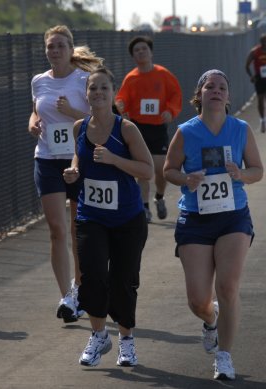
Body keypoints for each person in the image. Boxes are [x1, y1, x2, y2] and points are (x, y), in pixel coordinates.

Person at [163, 69, 263, 380]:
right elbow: (168, 169)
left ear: (229, 97)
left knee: (228, 285)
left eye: (222, 87)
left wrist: (240, 174)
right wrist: (186, 179)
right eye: (210, 86)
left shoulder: (241, 129)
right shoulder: (186, 131)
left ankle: (224, 356)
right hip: (195, 218)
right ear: (200, 95)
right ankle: (211, 319)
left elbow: (258, 170)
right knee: (198, 300)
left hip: (233, 215)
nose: (216, 91)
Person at [63, 66, 153, 367]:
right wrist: (75, 170)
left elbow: (147, 170)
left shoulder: (125, 129)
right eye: (92, 88)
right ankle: (99, 335)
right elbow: (80, 154)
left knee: (123, 281)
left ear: (113, 93)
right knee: (92, 275)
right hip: (92, 216)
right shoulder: (79, 127)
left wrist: (115, 159)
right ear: (85, 94)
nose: (98, 93)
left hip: (127, 218)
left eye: (103, 88)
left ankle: (126, 341)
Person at [28, 25, 103, 323]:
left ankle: (80, 287)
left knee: (77, 230)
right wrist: (32, 123)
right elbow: (36, 110)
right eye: (50, 46)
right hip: (47, 160)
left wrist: (74, 113)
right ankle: (66, 297)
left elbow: (100, 119)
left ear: (71, 49)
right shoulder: (38, 81)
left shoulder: (84, 80)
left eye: (60, 45)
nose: (55, 51)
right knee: (57, 229)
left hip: (79, 161)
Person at [115, 35, 182, 223]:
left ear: (151, 52)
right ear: (133, 56)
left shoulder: (164, 75)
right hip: (138, 128)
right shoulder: (131, 78)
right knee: (143, 169)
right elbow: (122, 99)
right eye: (137, 50)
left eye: (144, 48)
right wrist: (120, 106)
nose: (141, 52)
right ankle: (144, 207)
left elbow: (175, 95)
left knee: (160, 170)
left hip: (158, 127)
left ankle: (159, 197)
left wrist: (170, 111)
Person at [245, 33, 266, 133]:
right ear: (261, 42)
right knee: (261, 100)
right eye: (264, 42)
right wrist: (252, 76)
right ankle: (262, 121)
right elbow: (247, 66)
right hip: (260, 79)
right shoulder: (255, 52)